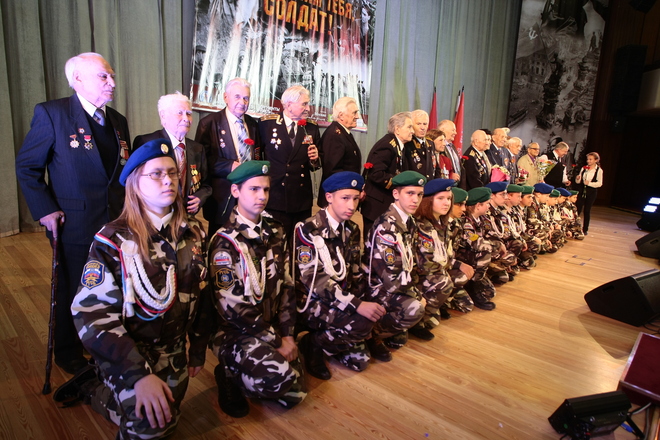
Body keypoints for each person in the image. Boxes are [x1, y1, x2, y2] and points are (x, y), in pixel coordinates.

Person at [61, 139, 209, 439]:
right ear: (135, 185)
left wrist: (197, 349)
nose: (168, 180)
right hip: (129, 354)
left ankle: (113, 398)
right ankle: (95, 387)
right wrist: (138, 376)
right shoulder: (112, 241)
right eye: (156, 174)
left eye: (172, 172)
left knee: (167, 417)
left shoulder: (193, 232)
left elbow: (201, 294)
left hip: (174, 351)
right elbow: (91, 315)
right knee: (151, 427)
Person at [15, 52, 131, 375]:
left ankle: (103, 343)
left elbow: (121, 173)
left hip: (114, 223)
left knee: (110, 286)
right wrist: (46, 209)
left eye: (112, 76)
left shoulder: (117, 121)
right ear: (77, 79)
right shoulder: (53, 114)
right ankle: (68, 352)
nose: (112, 83)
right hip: (74, 222)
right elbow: (27, 167)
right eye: (104, 76)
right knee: (73, 288)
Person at [208, 161, 306, 418]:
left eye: (266, 189)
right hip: (235, 333)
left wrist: (288, 335)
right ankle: (228, 374)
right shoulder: (224, 242)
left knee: (296, 391)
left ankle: (263, 366)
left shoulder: (276, 230)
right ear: (235, 191)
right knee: (278, 379)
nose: (262, 196)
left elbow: (287, 285)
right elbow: (233, 309)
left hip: (269, 327)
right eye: (253, 189)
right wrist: (277, 341)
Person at [294, 171, 385, 379]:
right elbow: (315, 281)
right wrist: (356, 305)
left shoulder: (352, 228)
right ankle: (313, 344)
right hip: (313, 302)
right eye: (345, 198)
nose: (351, 206)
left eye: (355, 198)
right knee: (362, 322)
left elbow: (355, 273)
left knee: (360, 361)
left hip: (340, 298)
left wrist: (364, 301)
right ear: (329, 197)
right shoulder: (308, 229)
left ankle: (341, 336)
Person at [362, 171, 426, 361]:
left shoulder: (408, 220)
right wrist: (417, 295)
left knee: (429, 287)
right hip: (377, 288)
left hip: (397, 282)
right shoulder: (387, 226)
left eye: (419, 194)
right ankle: (371, 333)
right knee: (415, 307)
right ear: (396, 194)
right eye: (410, 193)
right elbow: (391, 280)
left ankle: (391, 327)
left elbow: (410, 262)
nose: (415, 200)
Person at [195, 78, 261, 235]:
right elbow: (201, 161)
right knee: (220, 242)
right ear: (226, 97)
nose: (242, 102)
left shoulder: (253, 124)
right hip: (222, 196)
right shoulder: (209, 123)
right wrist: (229, 166)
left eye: (246, 98)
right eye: (237, 97)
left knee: (247, 238)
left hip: (248, 196)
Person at [259, 85, 320, 240]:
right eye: (304, 104)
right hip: (275, 195)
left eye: (308, 104)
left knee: (300, 241)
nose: (308, 108)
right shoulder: (267, 124)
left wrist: (314, 159)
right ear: (288, 105)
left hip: (301, 198)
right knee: (275, 241)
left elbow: (315, 165)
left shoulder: (311, 128)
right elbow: (257, 157)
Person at [134, 92, 211, 216]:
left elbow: (206, 184)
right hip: (155, 215)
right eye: (179, 113)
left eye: (189, 113)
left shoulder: (197, 148)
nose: (186, 118)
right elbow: (135, 184)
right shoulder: (147, 143)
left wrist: (200, 198)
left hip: (186, 217)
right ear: (163, 116)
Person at [410, 178, 457, 339]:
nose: (446, 203)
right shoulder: (421, 225)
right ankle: (417, 322)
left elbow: (447, 253)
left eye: (449, 198)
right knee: (445, 282)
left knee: (458, 275)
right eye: (440, 198)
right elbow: (423, 263)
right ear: (428, 201)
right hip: (418, 277)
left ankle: (434, 308)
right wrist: (443, 271)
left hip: (435, 271)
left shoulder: (442, 223)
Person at [361, 112, 415, 239]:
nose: (412, 131)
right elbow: (376, 174)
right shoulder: (387, 145)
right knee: (373, 243)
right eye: (409, 127)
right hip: (377, 206)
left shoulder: (398, 145)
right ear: (397, 129)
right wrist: (399, 185)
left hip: (384, 203)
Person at [317, 97, 363, 207]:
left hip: (344, 195)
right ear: (341, 115)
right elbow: (333, 170)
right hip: (337, 197)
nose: (357, 116)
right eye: (354, 113)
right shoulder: (334, 135)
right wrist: (349, 191)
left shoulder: (343, 133)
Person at [455, 187, 497, 310]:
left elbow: (492, 235)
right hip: (463, 257)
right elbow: (476, 243)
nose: (489, 206)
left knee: (490, 292)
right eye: (487, 203)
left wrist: (497, 244)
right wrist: (497, 246)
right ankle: (473, 286)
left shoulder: (483, 219)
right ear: (478, 206)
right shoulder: (466, 221)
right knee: (485, 253)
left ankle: (478, 280)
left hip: (472, 256)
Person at [445, 187, 475, 314]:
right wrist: (458, 264)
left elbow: (471, 237)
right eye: (459, 204)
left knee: (467, 306)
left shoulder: (457, 222)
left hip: (451, 262)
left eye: (464, 205)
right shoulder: (439, 225)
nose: (463, 209)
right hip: (438, 268)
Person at [403, 110, 436, 181]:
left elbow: (435, 167)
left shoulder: (430, 143)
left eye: (425, 124)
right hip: (413, 184)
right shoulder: (407, 143)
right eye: (419, 124)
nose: (422, 127)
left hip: (429, 184)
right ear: (411, 126)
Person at [575, 152, 603, 235]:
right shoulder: (584, 168)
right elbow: (578, 182)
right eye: (588, 159)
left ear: (596, 160)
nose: (588, 161)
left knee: (587, 210)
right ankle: (574, 226)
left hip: (591, 192)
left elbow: (600, 183)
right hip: (582, 190)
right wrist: (578, 179)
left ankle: (585, 229)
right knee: (578, 209)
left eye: (590, 159)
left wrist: (589, 183)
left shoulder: (599, 170)